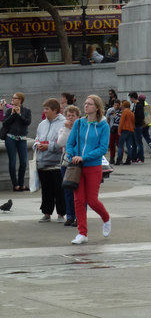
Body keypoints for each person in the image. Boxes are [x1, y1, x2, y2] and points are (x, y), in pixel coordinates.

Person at [66, 94, 111, 245]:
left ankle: (106, 218)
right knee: (78, 200)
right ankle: (82, 233)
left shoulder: (103, 126)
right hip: (77, 168)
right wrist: (72, 155)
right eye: (85, 103)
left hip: (93, 167)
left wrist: (84, 157)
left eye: (90, 104)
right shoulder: (79, 123)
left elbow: (102, 148)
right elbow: (70, 143)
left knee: (92, 200)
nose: (86, 106)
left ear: (97, 108)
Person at [34, 98, 66, 222]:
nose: (45, 111)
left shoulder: (63, 123)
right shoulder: (42, 124)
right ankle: (46, 213)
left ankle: (61, 214)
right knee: (46, 190)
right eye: (44, 108)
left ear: (55, 110)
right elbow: (36, 138)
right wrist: (37, 144)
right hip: (42, 162)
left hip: (57, 163)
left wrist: (49, 146)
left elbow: (63, 142)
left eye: (47, 109)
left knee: (59, 189)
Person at [2, 93, 31, 192]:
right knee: (12, 162)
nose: (13, 100)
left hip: (22, 139)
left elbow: (27, 122)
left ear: (20, 100)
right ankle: (15, 185)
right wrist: (13, 114)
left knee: (23, 162)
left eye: (15, 98)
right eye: (13, 98)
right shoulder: (9, 110)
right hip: (10, 138)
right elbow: (5, 123)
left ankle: (21, 183)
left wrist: (19, 114)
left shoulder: (26, 111)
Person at [57, 105, 81, 226]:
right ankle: (70, 215)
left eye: (73, 116)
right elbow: (61, 143)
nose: (70, 118)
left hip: (78, 162)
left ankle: (79, 216)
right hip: (66, 162)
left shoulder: (81, 128)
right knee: (67, 190)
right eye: (68, 116)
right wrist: (67, 129)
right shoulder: (63, 129)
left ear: (78, 117)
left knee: (79, 191)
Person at [116, 100, 135, 165]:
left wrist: (119, 130)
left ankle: (118, 160)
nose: (121, 106)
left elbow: (121, 122)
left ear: (124, 105)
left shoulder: (124, 112)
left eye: (122, 105)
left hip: (124, 130)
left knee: (120, 146)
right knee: (129, 146)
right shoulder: (131, 112)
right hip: (130, 130)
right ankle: (128, 160)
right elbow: (133, 122)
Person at [128, 91, 145, 163]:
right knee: (134, 143)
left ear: (132, 98)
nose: (130, 100)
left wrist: (134, 121)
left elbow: (141, 116)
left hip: (137, 126)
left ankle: (141, 157)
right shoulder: (134, 105)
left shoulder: (139, 105)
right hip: (134, 126)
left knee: (139, 143)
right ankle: (134, 157)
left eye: (130, 98)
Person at [106, 98, 122, 164]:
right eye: (115, 105)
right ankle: (112, 158)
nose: (116, 107)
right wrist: (109, 127)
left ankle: (119, 158)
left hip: (119, 129)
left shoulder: (121, 111)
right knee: (111, 144)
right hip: (112, 129)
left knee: (119, 144)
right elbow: (107, 118)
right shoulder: (110, 110)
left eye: (118, 105)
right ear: (113, 105)